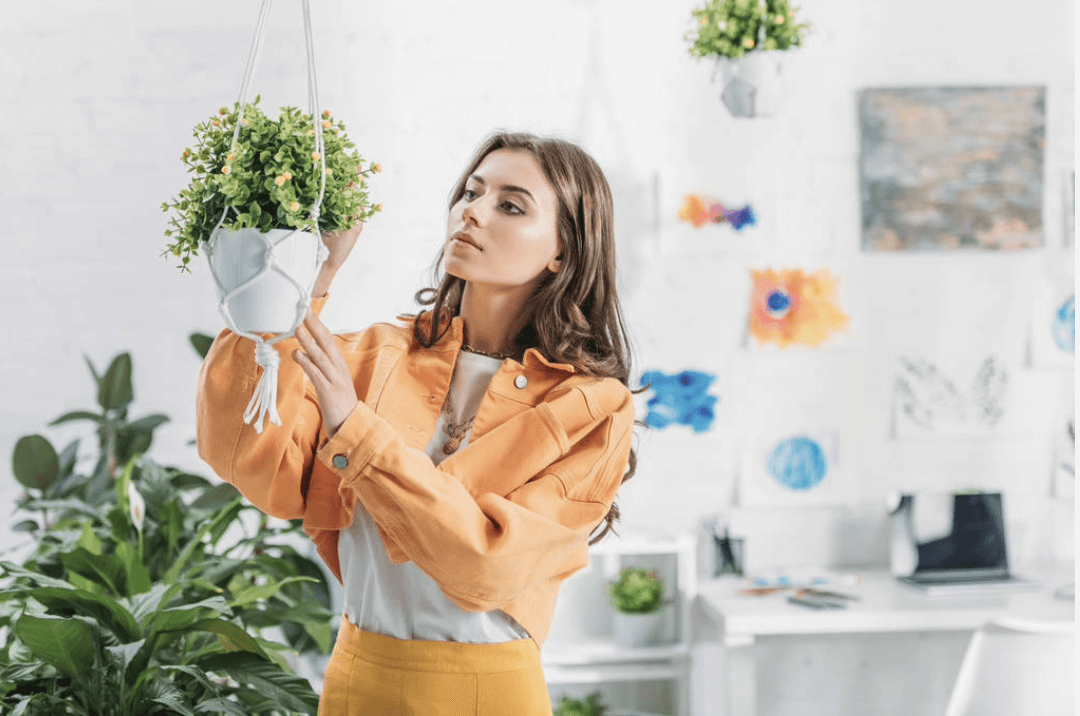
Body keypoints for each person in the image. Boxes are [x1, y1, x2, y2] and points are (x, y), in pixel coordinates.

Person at [196, 131, 637, 715]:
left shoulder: (591, 407)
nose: (473, 212)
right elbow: (245, 457)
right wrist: (308, 277)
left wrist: (355, 431)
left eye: (510, 205)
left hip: (487, 692)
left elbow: (483, 566)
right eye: (471, 193)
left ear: (563, 249)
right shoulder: (372, 356)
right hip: (358, 675)